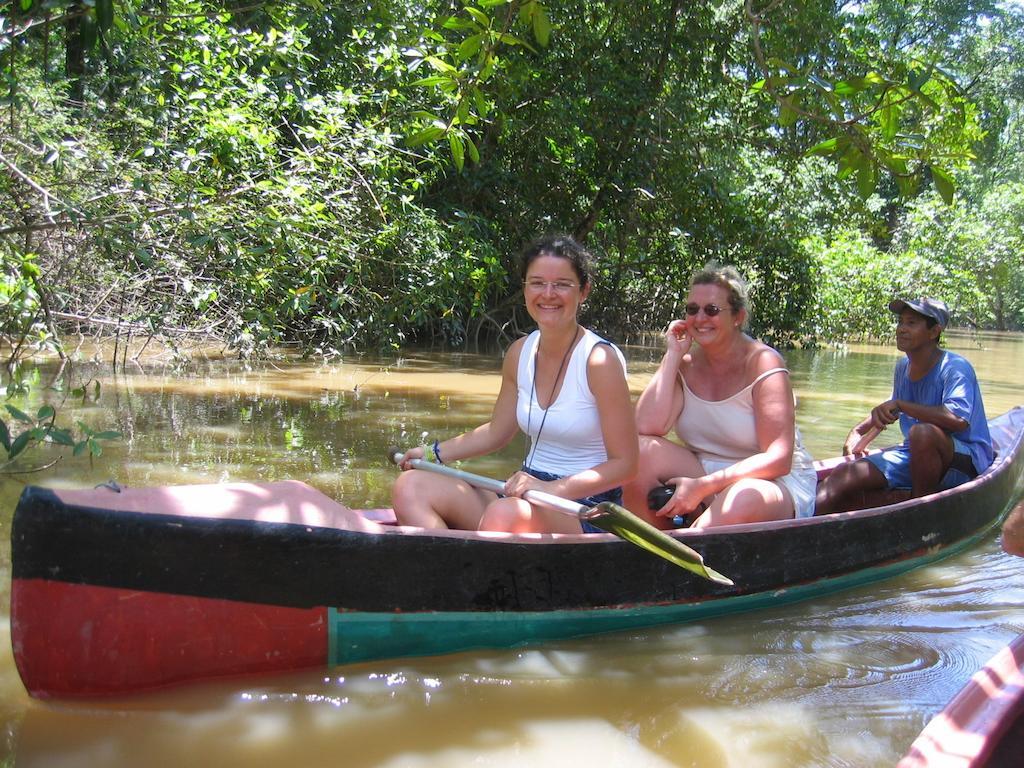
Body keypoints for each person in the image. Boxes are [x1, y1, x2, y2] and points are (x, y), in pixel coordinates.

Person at [392, 234, 638, 534]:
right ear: (525, 288)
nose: (548, 294)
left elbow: (626, 464)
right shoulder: (519, 352)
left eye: (561, 284)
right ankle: (455, 571)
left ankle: (475, 570)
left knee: (505, 515)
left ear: (583, 291)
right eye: (537, 283)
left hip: (585, 508)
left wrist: (552, 489)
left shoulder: (600, 360)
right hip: (525, 491)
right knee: (411, 486)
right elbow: (498, 432)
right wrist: (431, 453)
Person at [622, 264, 817, 529]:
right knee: (638, 452)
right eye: (693, 310)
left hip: (768, 482)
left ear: (738, 316)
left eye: (711, 310)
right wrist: (672, 356)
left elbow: (779, 459)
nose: (700, 318)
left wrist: (703, 487)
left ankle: (690, 555)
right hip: (702, 473)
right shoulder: (686, 361)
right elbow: (646, 427)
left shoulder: (764, 363)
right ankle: (660, 547)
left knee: (742, 496)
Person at [814, 298, 994, 516]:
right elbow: (893, 408)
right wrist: (858, 431)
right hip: (915, 453)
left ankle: (918, 513)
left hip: (966, 460)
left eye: (911, 323)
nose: (901, 329)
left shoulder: (955, 368)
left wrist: (901, 405)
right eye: (900, 322)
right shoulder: (903, 367)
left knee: (922, 433)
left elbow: (957, 419)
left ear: (934, 331)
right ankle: (800, 530)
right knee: (843, 475)